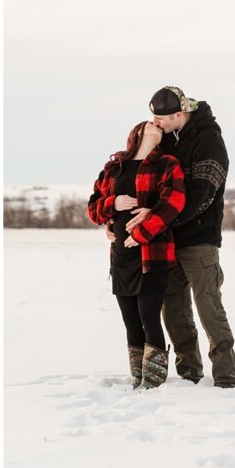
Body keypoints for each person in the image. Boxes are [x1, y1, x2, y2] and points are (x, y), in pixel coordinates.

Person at [125, 86, 235, 388]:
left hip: (200, 238)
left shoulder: (209, 140)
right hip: (166, 240)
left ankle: (226, 377)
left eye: (160, 118)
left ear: (179, 114)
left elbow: (203, 194)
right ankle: (189, 373)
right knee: (173, 309)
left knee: (208, 306)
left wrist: (159, 218)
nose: (156, 123)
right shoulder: (165, 141)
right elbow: (145, 185)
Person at [88, 121, 186, 390]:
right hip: (120, 257)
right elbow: (94, 208)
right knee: (130, 319)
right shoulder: (114, 168)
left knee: (148, 316)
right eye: (150, 121)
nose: (157, 123)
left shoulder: (167, 164)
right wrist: (113, 203)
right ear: (137, 132)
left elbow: (173, 203)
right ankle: (138, 377)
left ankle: (153, 381)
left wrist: (142, 232)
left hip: (152, 253)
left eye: (160, 124)